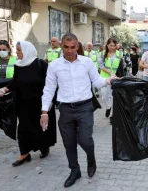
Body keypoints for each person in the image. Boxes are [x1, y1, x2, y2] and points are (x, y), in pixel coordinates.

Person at [40, 33, 116, 188]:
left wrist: (108, 80)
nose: (69, 50)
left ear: (77, 46)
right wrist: (44, 112)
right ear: (61, 46)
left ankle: (91, 157)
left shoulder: (86, 62)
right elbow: (49, 89)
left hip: (85, 108)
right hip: (65, 109)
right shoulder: (54, 66)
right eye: (66, 47)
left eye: (73, 47)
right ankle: (75, 171)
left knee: (85, 139)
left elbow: (96, 80)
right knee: (69, 143)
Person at [0, 41, 57, 166]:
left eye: (19, 50)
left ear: (27, 50)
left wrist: (51, 102)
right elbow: (15, 82)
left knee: (40, 129)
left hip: (40, 105)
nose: (16, 52)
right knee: (23, 129)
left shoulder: (41, 64)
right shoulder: (18, 65)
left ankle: (44, 147)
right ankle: (24, 154)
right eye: (16, 50)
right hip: (22, 105)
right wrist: (4, 89)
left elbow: (52, 84)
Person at [98, 38, 124, 118]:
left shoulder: (119, 54)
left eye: (114, 46)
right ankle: (108, 107)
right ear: (107, 45)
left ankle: (113, 115)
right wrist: (110, 73)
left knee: (113, 96)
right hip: (104, 78)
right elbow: (101, 66)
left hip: (115, 79)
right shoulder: (102, 54)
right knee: (104, 96)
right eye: (110, 45)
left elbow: (121, 66)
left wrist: (121, 76)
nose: (112, 47)